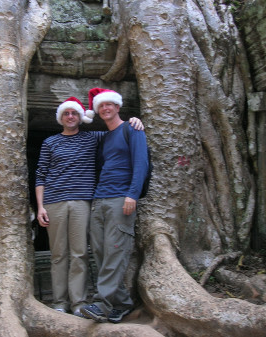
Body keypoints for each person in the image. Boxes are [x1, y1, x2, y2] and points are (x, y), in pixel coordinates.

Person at [35, 96, 143, 317]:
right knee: (59, 254)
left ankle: (79, 302)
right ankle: (59, 301)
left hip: (85, 201)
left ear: (81, 117)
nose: (71, 116)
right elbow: (40, 175)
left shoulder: (93, 138)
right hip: (55, 202)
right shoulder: (50, 143)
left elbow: (119, 132)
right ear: (60, 118)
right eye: (66, 113)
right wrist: (39, 207)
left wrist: (135, 121)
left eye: (75, 113)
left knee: (80, 253)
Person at [80, 88, 149, 324]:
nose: (105, 109)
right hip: (99, 201)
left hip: (122, 200)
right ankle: (122, 304)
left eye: (110, 105)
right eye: (101, 106)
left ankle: (101, 304)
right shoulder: (104, 137)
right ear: (97, 111)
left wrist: (133, 194)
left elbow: (141, 162)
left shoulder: (133, 129)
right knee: (100, 254)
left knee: (116, 250)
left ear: (118, 107)